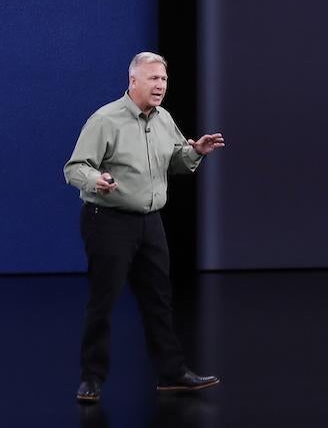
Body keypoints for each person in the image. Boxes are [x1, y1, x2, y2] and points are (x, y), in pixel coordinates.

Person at [63, 51, 224, 404]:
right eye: (153, 79)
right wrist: (96, 179)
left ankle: (172, 373)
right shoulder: (105, 120)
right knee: (103, 301)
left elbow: (177, 160)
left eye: (163, 79)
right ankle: (91, 378)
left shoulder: (163, 118)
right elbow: (75, 168)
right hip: (108, 222)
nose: (160, 86)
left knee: (158, 300)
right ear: (133, 81)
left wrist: (196, 150)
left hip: (150, 223)